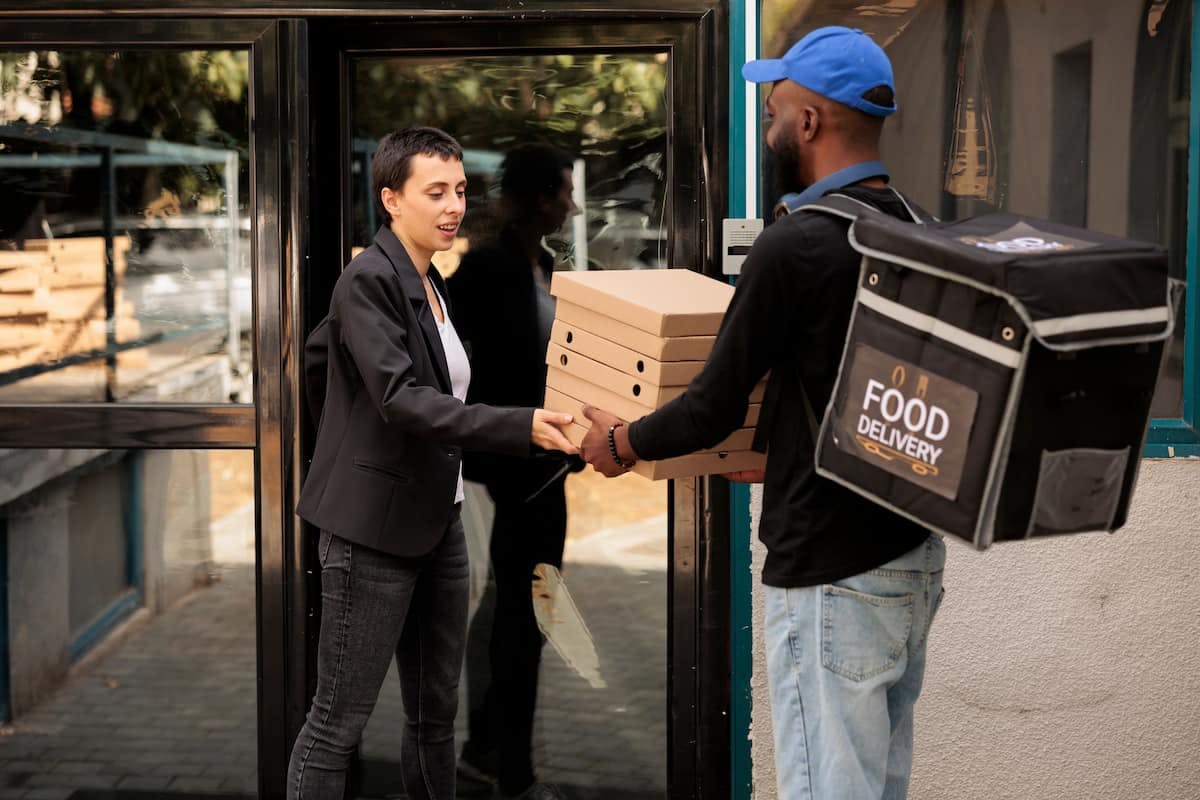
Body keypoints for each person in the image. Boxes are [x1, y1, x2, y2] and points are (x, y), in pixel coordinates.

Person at [579, 27, 946, 800]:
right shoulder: (916, 229)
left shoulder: (800, 246)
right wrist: (782, 451)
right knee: (874, 786)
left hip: (829, 572)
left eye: (776, 102)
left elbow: (711, 404)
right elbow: (863, 389)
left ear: (809, 121)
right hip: (908, 559)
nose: (769, 116)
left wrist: (618, 441)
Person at [288, 126, 577, 800]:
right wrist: (520, 427)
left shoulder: (434, 282)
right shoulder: (368, 280)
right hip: (371, 536)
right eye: (436, 192)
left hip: (437, 522)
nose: (454, 206)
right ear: (391, 199)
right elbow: (399, 399)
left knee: (435, 719)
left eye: (461, 191)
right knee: (336, 724)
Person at [448, 142, 580, 800]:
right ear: (535, 198)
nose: (572, 205)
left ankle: (489, 751)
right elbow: (440, 351)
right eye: (562, 192)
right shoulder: (487, 268)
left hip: (547, 468)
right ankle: (511, 773)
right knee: (518, 619)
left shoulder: (545, 266)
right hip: (505, 471)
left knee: (527, 614)